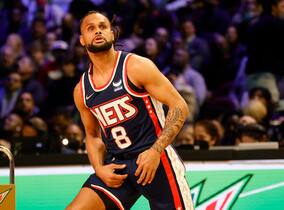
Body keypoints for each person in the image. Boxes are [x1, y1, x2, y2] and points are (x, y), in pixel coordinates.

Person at [67, 11, 193, 210]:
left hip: (154, 159)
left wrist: (156, 150)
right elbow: (92, 135)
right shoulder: (82, 90)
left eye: (103, 26)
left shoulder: (136, 66)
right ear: (82, 40)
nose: (98, 31)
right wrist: (99, 169)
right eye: (91, 28)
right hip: (118, 165)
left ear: (112, 33)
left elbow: (179, 106)